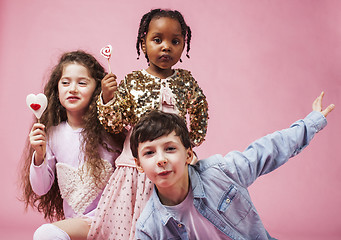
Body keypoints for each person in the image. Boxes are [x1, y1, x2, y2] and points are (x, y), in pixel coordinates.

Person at [131, 92, 334, 240]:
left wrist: (310, 124)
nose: (161, 159)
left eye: (170, 149)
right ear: (139, 165)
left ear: (188, 154)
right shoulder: (148, 228)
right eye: (149, 152)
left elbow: (267, 150)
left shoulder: (221, 171)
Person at [88, 8, 209, 240]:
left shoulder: (186, 82)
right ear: (143, 44)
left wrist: (189, 144)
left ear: (184, 45)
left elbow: (200, 111)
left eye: (175, 41)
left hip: (174, 168)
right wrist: (107, 98)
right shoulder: (133, 81)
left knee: (172, 225)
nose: (166, 46)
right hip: (137, 170)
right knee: (133, 226)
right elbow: (115, 124)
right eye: (157, 40)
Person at [19, 50, 125, 240]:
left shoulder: (112, 131)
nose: (73, 89)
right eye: (65, 82)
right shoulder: (51, 134)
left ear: (97, 89)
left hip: (113, 221)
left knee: (45, 234)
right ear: (56, 88)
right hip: (78, 227)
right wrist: (39, 156)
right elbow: (41, 188)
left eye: (82, 83)